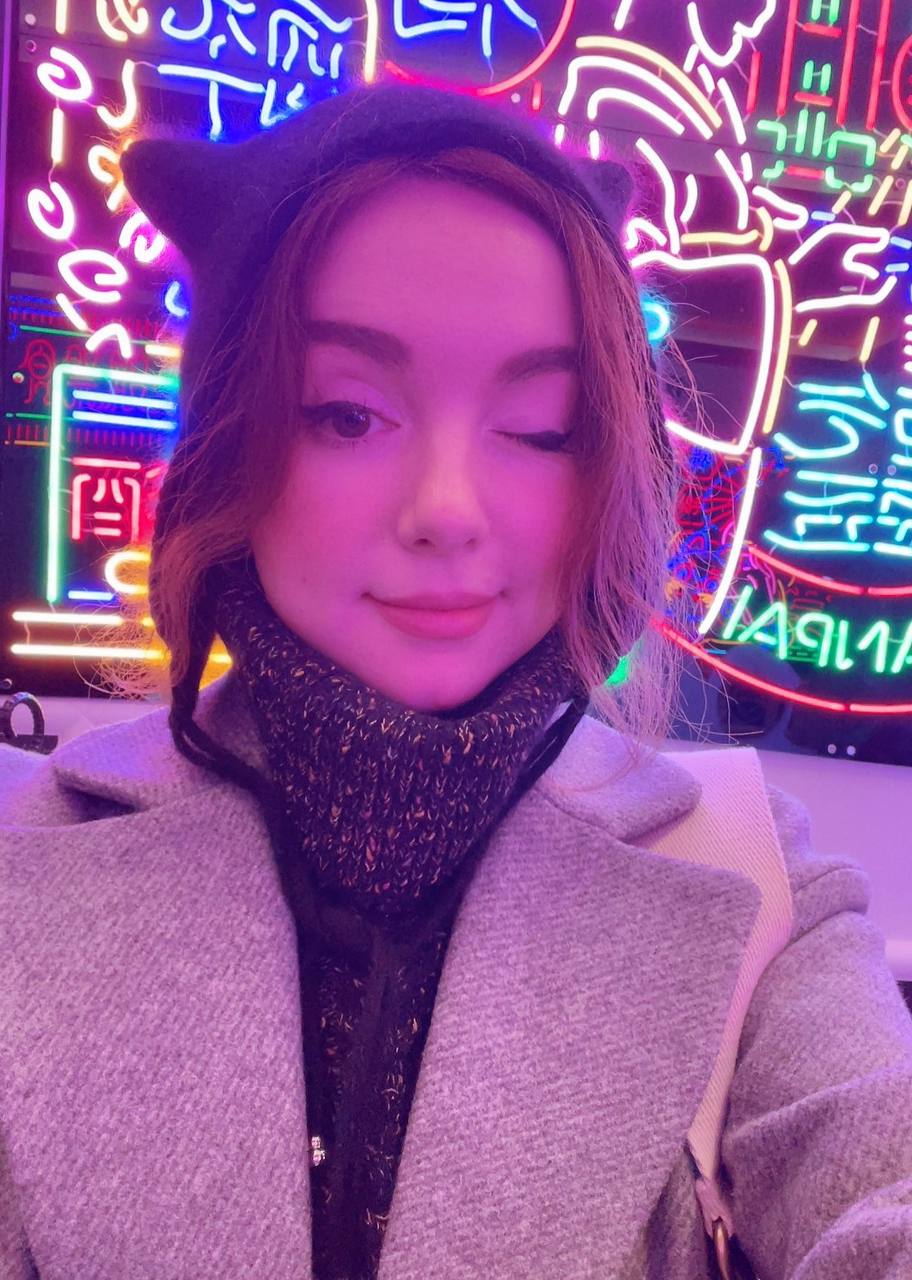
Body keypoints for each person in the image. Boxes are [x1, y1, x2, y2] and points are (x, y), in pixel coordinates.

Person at [1, 83, 911, 1280]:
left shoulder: (756, 883)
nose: (446, 508)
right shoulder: (28, 857)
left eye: (539, 425)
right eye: (346, 414)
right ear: (228, 443)